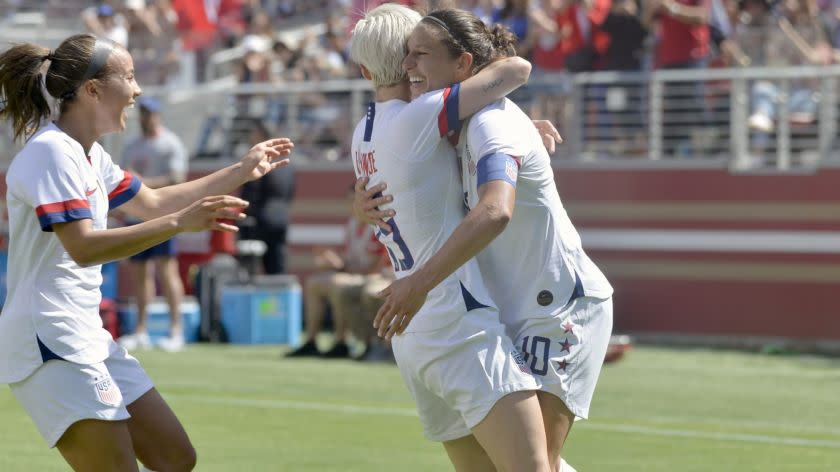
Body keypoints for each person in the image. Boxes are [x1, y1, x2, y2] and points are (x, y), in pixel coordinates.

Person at [0, 34, 293, 471]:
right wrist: (180, 223)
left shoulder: (89, 154)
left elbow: (152, 203)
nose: (138, 91)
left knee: (175, 457)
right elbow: (81, 247)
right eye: (130, 77)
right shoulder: (50, 153)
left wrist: (241, 170)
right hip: (48, 338)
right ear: (92, 89)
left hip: (84, 335)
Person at [354, 9, 613, 472]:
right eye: (406, 54)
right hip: (502, 306)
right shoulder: (439, 123)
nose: (411, 66)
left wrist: (418, 283)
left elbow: (495, 210)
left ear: (463, 65)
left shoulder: (485, 123)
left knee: (535, 466)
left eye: (421, 54)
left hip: (558, 305)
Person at [118, 95, 189, 352]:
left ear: (158, 115)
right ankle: (140, 330)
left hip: (163, 216)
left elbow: (177, 178)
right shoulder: (132, 145)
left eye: (151, 113)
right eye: (144, 113)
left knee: (167, 272)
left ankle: (176, 330)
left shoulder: (171, 144)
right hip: (137, 217)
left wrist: (143, 182)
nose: (147, 117)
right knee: (140, 275)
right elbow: (122, 178)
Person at [286, 193, 388, 359]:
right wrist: (331, 261)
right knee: (314, 283)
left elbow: (372, 269)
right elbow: (349, 259)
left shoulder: (376, 228)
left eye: (353, 202)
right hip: (356, 274)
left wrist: (340, 265)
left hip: (375, 277)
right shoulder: (353, 224)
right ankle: (311, 340)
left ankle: (344, 341)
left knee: (338, 284)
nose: (351, 207)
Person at [239, 118, 295, 275]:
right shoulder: (288, 163)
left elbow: (251, 194)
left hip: (259, 223)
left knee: (250, 270)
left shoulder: (260, 161)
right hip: (281, 220)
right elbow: (290, 193)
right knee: (277, 267)